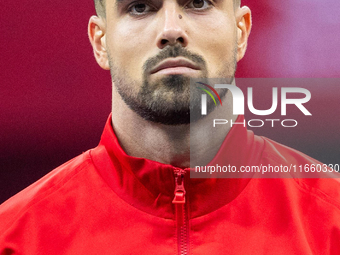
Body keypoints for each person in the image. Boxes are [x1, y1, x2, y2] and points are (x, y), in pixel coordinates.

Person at [1, 0, 339, 254]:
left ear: (241, 32)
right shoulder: (15, 238)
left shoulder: (331, 223)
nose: (171, 30)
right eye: (140, 7)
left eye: (198, 3)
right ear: (100, 41)